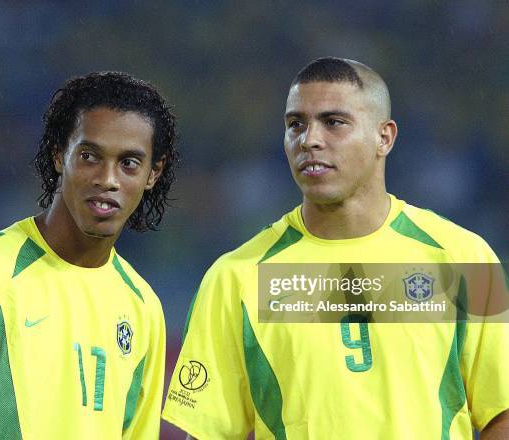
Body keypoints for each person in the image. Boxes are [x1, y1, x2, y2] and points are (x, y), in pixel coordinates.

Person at [162, 57, 508, 439]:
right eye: (296, 124)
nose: (309, 139)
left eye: (334, 122)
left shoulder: (464, 259)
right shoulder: (237, 277)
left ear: (385, 137)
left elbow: (501, 414)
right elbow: (208, 431)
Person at [0, 71, 178, 439]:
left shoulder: (143, 308)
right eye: (90, 156)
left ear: (153, 173)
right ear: (60, 155)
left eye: (129, 163)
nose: (108, 179)